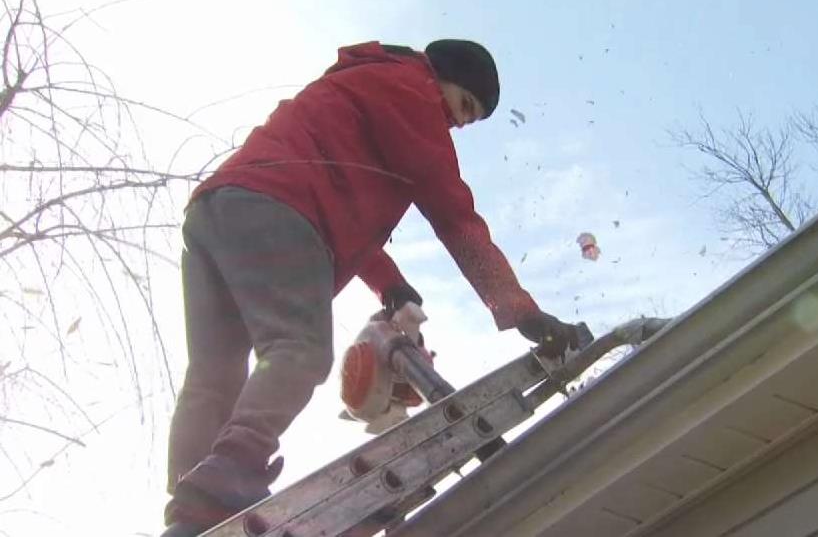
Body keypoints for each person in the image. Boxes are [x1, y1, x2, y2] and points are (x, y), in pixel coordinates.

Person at [162, 39, 581, 536]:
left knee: (213, 372)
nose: (460, 125)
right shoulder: (414, 98)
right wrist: (521, 311)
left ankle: (190, 510)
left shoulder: (366, 81)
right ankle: (234, 465)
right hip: (279, 211)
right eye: (465, 107)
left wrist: (392, 285)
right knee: (299, 348)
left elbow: (335, 197)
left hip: (217, 209)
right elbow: (456, 219)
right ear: (443, 76)